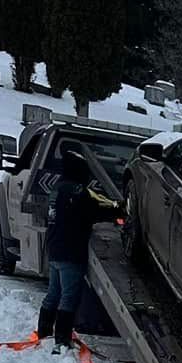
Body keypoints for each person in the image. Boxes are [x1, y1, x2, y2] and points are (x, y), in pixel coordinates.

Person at [36, 145, 117, 351]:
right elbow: (95, 211)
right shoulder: (78, 192)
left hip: (54, 248)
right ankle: (62, 339)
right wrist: (118, 211)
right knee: (68, 296)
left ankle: (44, 332)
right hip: (71, 252)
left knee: (53, 293)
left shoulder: (58, 188)